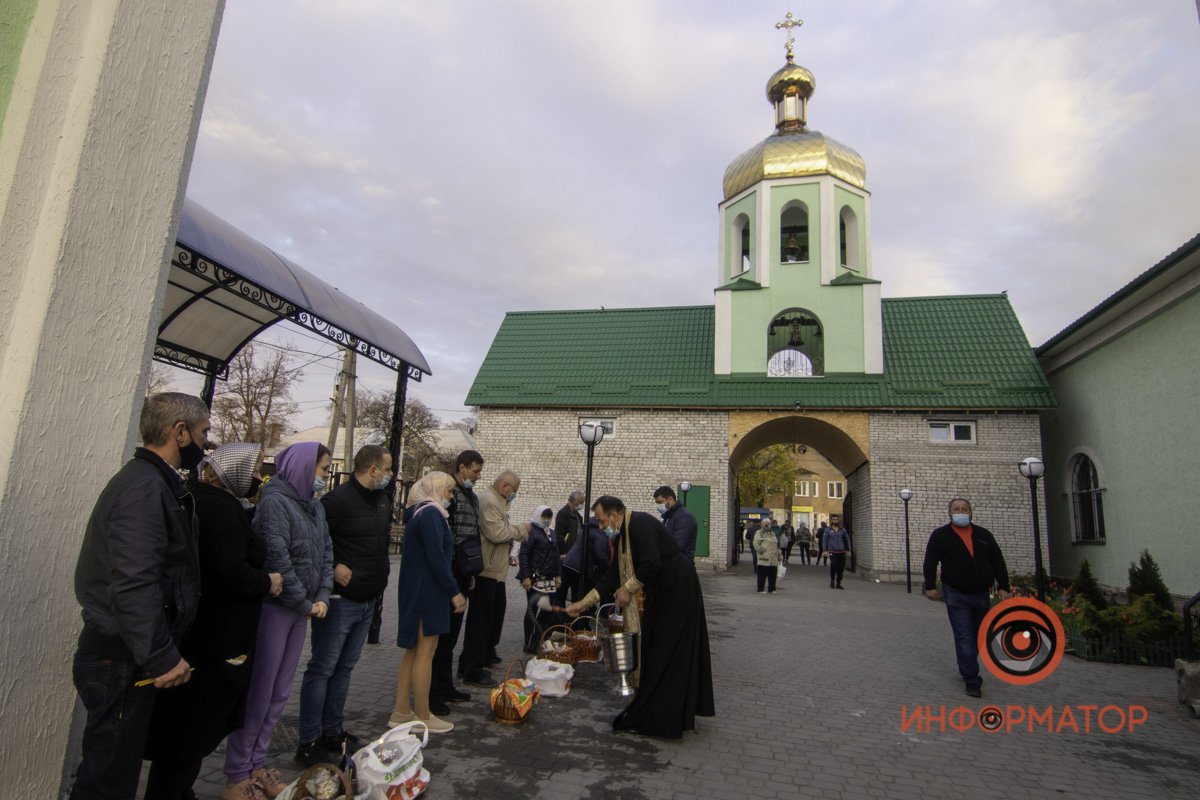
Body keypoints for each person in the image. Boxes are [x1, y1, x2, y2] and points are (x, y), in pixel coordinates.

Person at [70, 393, 209, 800]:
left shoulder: (155, 483)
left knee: (115, 769)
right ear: (179, 432)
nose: (206, 444)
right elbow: (133, 582)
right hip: (120, 659)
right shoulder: (144, 487)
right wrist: (161, 656)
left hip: (129, 656)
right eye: (203, 433)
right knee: (107, 780)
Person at [144, 443, 281, 800]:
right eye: (251, 472)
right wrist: (267, 581)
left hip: (208, 628)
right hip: (215, 632)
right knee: (193, 725)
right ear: (231, 473)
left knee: (188, 725)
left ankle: (175, 789)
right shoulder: (218, 509)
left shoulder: (210, 501)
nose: (256, 479)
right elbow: (229, 571)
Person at [221, 442, 333, 800]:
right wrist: (303, 601)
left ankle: (257, 765)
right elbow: (277, 558)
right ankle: (238, 773)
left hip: (301, 611)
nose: (325, 476)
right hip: (276, 609)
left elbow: (327, 552)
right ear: (304, 467)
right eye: (323, 469)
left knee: (280, 692)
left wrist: (322, 595)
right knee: (260, 691)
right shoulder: (274, 502)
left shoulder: (314, 506)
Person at [566, 496, 715, 738]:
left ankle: (663, 717)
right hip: (664, 592)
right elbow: (612, 576)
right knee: (657, 649)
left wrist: (628, 588)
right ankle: (666, 710)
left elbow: (652, 563)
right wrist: (582, 603)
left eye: (603, 521)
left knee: (666, 651)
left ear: (615, 515)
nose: (602, 527)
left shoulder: (639, 524)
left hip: (678, 589)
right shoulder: (624, 534)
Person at [295, 445, 393, 766]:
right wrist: (335, 565)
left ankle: (332, 732)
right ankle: (309, 739)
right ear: (373, 469)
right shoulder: (337, 501)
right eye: (388, 469)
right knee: (323, 668)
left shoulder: (381, 500)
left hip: (368, 598)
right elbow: (318, 542)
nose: (391, 476)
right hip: (339, 601)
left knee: (345, 669)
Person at [389, 472, 468, 733]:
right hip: (428, 591)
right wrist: (453, 590)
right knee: (426, 652)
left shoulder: (419, 512)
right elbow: (437, 557)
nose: (450, 497)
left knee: (413, 651)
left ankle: (401, 711)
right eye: (448, 491)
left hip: (418, 587)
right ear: (436, 489)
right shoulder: (432, 514)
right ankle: (422, 714)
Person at [922, 498, 1012, 698]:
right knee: (964, 635)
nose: (960, 512)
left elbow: (997, 560)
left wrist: (1004, 587)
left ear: (971, 512)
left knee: (979, 636)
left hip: (981, 592)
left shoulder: (983, 535)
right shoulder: (941, 535)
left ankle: (966, 665)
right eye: (956, 509)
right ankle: (972, 679)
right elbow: (930, 561)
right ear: (950, 513)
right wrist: (930, 586)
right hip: (956, 592)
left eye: (964, 509)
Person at [460, 470, 528, 687]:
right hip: (486, 570)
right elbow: (496, 533)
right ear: (505, 486)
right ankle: (472, 667)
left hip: (494, 570)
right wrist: (522, 530)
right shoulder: (489, 501)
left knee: (492, 616)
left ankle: (482, 656)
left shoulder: (497, 501)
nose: (514, 494)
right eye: (514, 490)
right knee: (480, 621)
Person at [430, 450, 484, 712]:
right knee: (441, 636)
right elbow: (447, 534)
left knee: (451, 636)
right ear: (462, 468)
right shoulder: (449, 493)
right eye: (474, 471)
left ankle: (445, 684)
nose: (477, 476)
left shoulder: (470, 495)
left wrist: (470, 572)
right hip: (450, 570)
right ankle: (433, 691)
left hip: (463, 570)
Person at [517, 505, 561, 652]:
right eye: (544, 517)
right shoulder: (532, 532)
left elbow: (556, 555)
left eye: (549, 517)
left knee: (547, 609)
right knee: (532, 609)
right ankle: (528, 642)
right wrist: (525, 576)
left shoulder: (552, 533)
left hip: (549, 578)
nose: (547, 520)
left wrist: (558, 575)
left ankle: (539, 638)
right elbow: (523, 554)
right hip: (535, 577)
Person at [558, 514, 610, 605]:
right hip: (579, 568)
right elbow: (599, 555)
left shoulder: (586, 528)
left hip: (568, 563)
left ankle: (560, 616)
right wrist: (608, 568)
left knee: (561, 595)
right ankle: (576, 617)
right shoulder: (600, 534)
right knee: (578, 597)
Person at [653, 485, 698, 562]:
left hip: (681, 567)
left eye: (660, 502)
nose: (658, 506)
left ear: (670, 499)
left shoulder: (684, 517)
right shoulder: (667, 517)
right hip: (671, 564)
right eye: (657, 503)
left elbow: (677, 546)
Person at [823, 514, 852, 589]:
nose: (835, 521)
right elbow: (825, 540)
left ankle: (838, 583)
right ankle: (832, 580)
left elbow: (847, 539)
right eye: (834, 519)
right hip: (832, 551)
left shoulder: (842, 530)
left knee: (841, 568)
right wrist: (825, 550)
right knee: (834, 565)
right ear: (831, 521)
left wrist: (848, 550)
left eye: (836, 519)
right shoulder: (828, 530)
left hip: (841, 551)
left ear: (838, 520)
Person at [554, 491, 585, 557]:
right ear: (573, 500)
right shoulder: (563, 513)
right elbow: (559, 534)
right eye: (581, 502)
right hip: (567, 552)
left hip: (574, 550)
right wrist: (563, 551)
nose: (582, 505)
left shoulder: (576, 514)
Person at [752, 521, 781, 593]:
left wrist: (779, 555)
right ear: (763, 524)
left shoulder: (772, 533)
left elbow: (776, 545)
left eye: (769, 524)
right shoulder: (759, 533)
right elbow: (755, 543)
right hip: (764, 557)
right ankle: (760, 589)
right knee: (762, 574)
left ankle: (772, 589)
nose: (769, 525)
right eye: (767, 524)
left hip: (773, 558)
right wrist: (761, 550)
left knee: (772, 574)